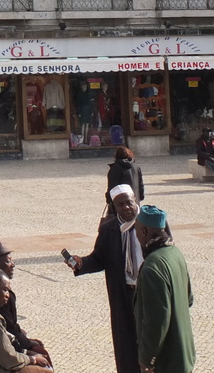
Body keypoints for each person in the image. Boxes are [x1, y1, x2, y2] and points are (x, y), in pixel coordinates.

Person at [69, 184, 143, 373]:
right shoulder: (110, 228)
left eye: (129, 202)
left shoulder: (150, 221)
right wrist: (81, 263)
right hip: (123, 292)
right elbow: (99, 258)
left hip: (147, 290)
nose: (126, 207)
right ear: (114, 207)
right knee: (126, 341)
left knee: (150, 337)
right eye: (120, 205)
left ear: (135, 200)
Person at [133, 205, 195, 373]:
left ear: (144, 231)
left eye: (137, 230)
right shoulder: (175, 253)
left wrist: (147, 359)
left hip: (167, 360)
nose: (136, 235)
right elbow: (188, 299)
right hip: (184, 354)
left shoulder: (152, 266)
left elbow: (157, 320)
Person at [0, 241, 49, 361]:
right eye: (8, 261)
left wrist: (25, 339)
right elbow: (8, 330)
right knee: (42, 354)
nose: (13, 264)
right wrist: (29, 346)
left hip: (2, 343)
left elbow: (11, 325)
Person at [107, 146, 145, 211]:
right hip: (134, 201)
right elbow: (140, 184)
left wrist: (109, 201)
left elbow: (112, 187)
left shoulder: (115, 168)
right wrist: (140, 197)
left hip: (121, 204)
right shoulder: (136, 167)